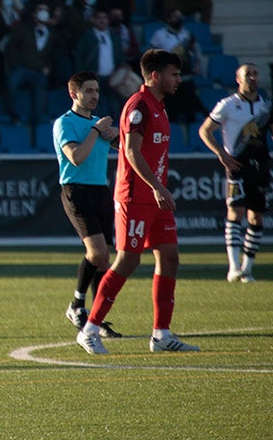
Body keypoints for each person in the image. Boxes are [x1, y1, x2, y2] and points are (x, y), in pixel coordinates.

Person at [76, 49, 200, 355]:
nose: (178, 80)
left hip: (156, 198)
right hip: (135, 197)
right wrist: (158, 187)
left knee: (170, 257)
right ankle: (90, 329)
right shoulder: (139, 105)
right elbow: (131, 152)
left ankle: (161, 335)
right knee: (128, 259)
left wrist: (159, 190)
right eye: (173, 74)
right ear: (155, 76)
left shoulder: (158, 106)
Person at [54, 71, 123, 339]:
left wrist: (120, 134)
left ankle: (95, 319)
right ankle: (77, 305)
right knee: (96, 254)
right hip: (76, 191)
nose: (95, 96)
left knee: (105, 260)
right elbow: (76, 157)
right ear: (74, 94)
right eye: (89, 91)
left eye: (97, 91)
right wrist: (97, 131)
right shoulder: (65, 123)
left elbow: (127, 148)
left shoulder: (99, 124)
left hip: (101, 191)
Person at [198, 63, 271, 283]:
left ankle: (247, 269)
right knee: (235, 212)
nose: (252, 77)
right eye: (248, 74)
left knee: (256, 216)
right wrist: (221, 153)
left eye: (255, 73)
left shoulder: (267, 108)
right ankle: (233, 266)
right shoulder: (227, 105)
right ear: (238, 79)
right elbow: (205, 130)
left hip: (260, 166)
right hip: (236, 165)